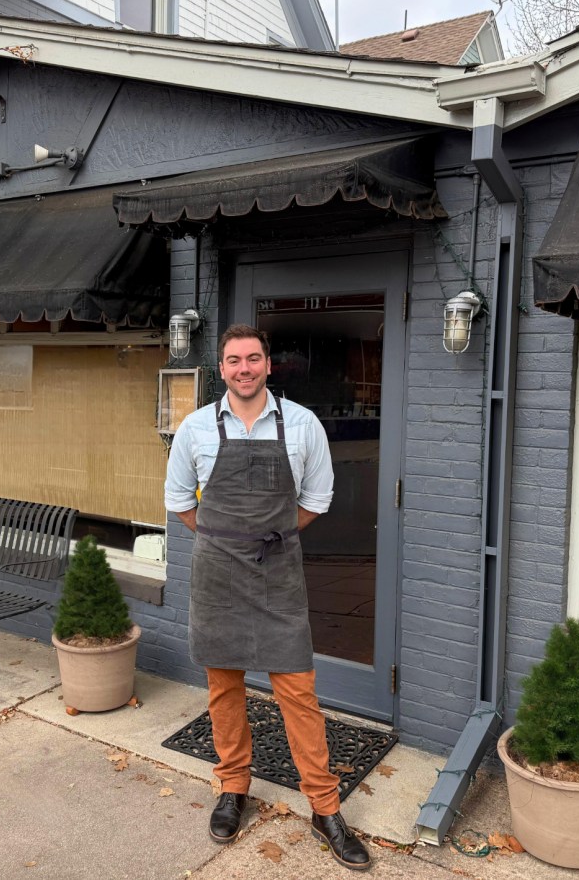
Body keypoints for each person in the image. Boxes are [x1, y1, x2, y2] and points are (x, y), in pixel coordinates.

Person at [164, 323, 371, 872]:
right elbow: (181, 500)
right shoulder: (195, 427)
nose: (244, 369)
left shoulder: (302, 425)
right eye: (233, 361)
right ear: (222, 369)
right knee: (223, 689)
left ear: (268, 365)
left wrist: (271, 535)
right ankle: (233, 786)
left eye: (253, 359)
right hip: (217, 575)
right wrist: (225, 539)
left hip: (279, 572)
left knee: (298, 691)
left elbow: (317, 499)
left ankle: (324, 809)